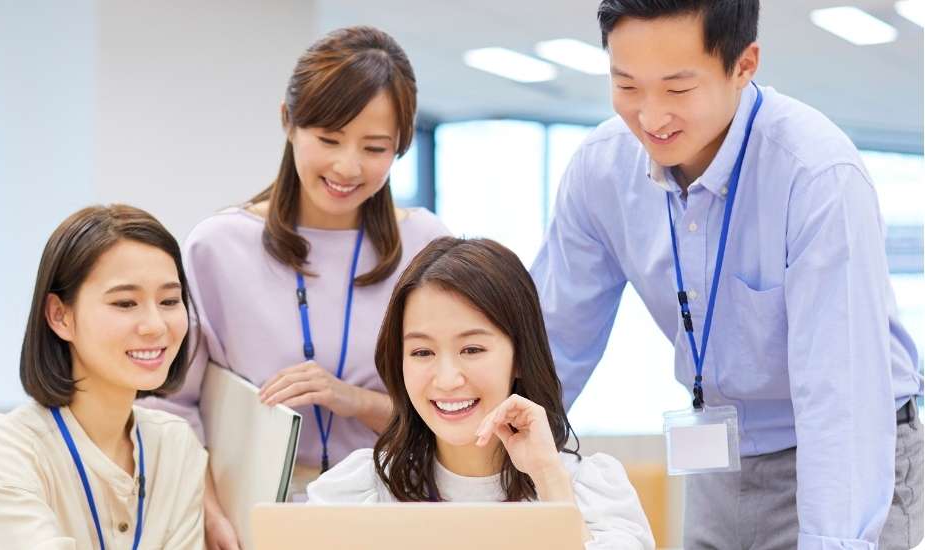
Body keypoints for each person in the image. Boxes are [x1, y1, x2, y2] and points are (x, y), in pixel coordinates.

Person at [530, 1, 923, 548]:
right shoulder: (602, 169)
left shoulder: (815, 175)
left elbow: (841, 397)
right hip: (721, 458)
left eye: (677, 89)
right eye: (627, 86)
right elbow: (552, 343)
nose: (650, 117)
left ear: (744, 65)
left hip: (841, 454)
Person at [139, 25, 448, 549]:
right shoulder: (219, 247)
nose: (347, 167)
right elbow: (167, 406)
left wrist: (357, 401)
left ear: (400, 147)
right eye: (328, 140)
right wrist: (208, 511)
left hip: (398, 514)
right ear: (289, 121)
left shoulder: (428, 245)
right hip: (252, 518)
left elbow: (460, 406)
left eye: (375, 148)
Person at [308, 237, 655, 549]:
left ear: (520, 356)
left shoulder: (590, 491)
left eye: (472, 349)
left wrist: (549, 478)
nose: (446, 380)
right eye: (422, 353)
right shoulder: (359, 490)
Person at [0, 205, 207, 549]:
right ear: (60, 316)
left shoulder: (176, 446)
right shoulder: (5, 454)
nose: (156, 326)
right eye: (125, 303)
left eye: (169, 300)